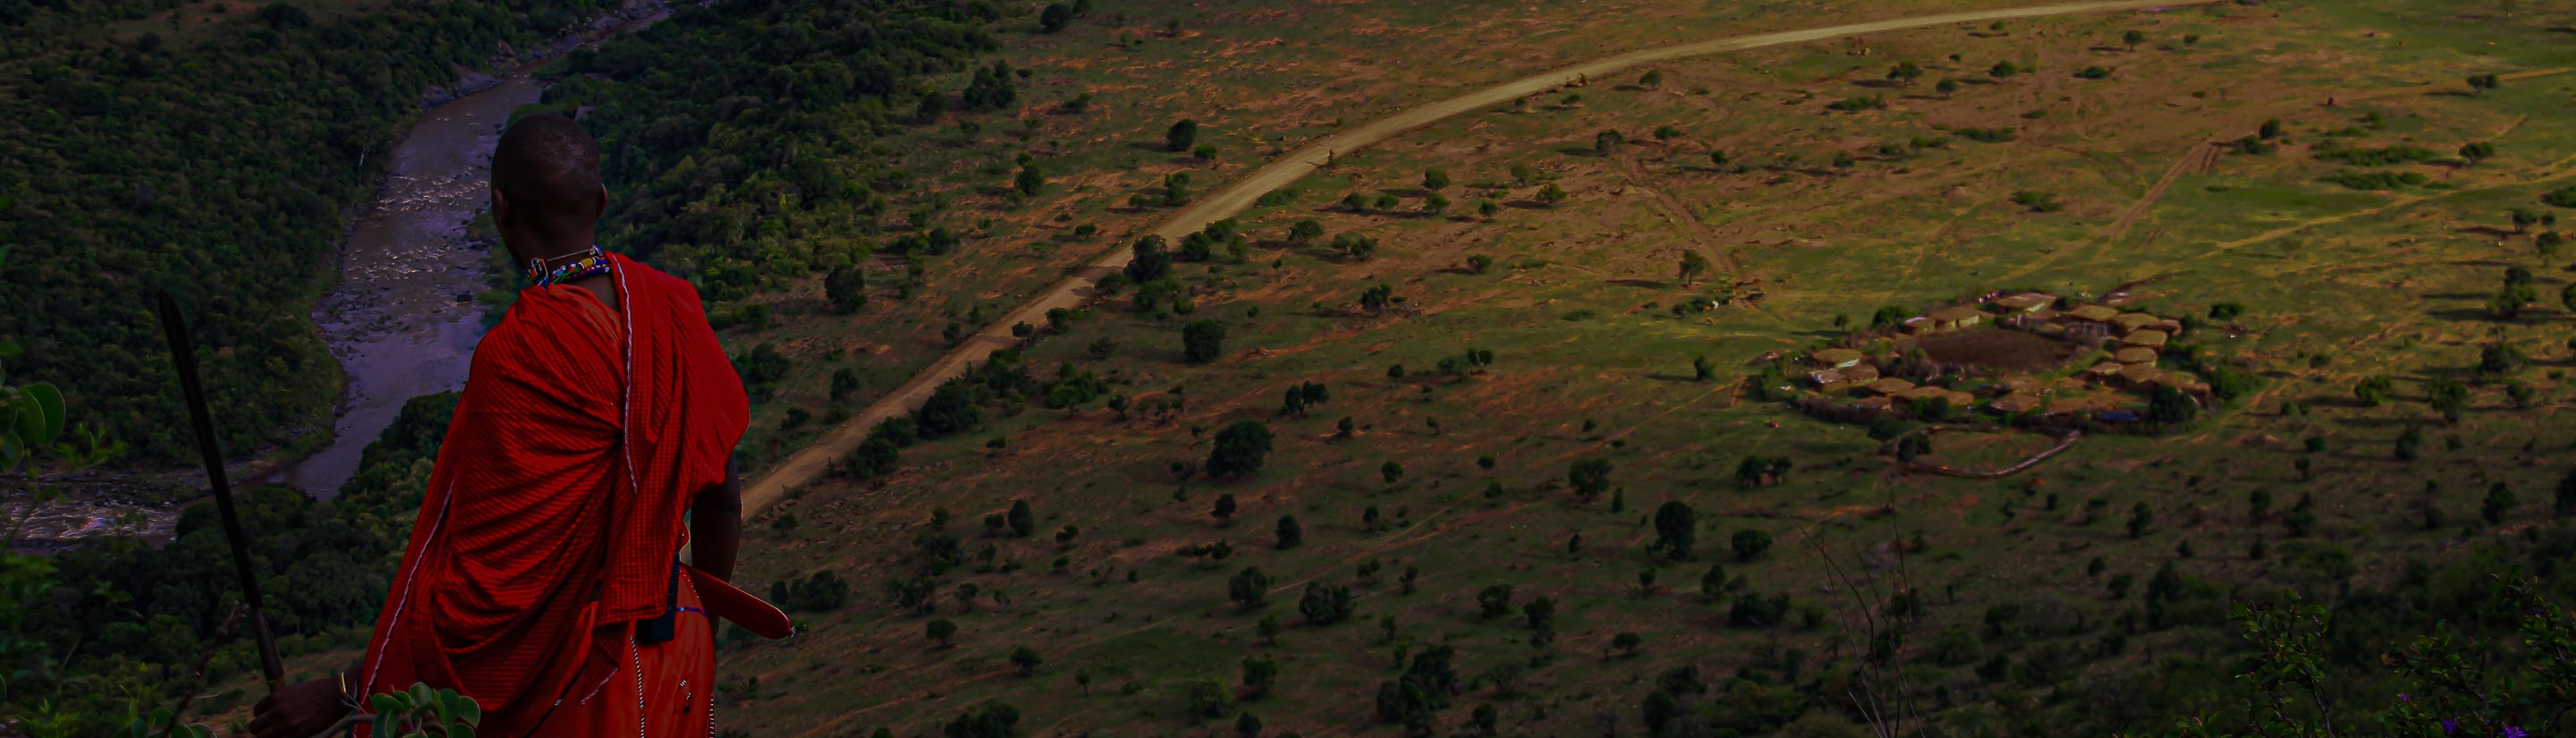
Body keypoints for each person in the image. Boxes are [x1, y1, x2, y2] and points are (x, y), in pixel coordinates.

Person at [250, 115, 789, 738]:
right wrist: (704, 623)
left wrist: (351, 690)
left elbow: (485, 597)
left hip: (575, 677)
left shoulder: (515, 354)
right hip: (676, 640)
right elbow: (721, 496)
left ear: (501, 209)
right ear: (603, 201)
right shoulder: (671, 306)